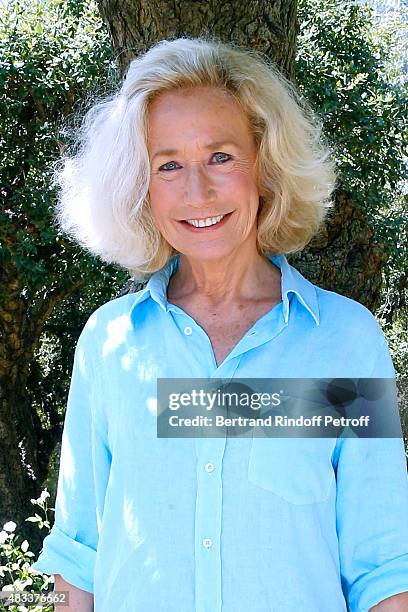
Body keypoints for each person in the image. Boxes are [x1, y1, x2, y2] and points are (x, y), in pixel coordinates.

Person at [30, 37, 408, 611]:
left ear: (266, 162)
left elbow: (383, 565)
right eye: (169, 165)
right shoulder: (109, 343)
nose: (197, 190)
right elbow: (80, 553)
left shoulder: (346, 341)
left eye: (221, 156)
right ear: (141, 185)